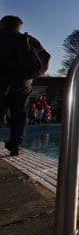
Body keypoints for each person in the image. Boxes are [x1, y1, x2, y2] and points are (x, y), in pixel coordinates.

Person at [0, 16, 42, 155]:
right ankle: (15, 146)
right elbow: (42, 60)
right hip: (22, 83)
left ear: (3, 24)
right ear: (19, 26)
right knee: (20, 114)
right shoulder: (27, 40)